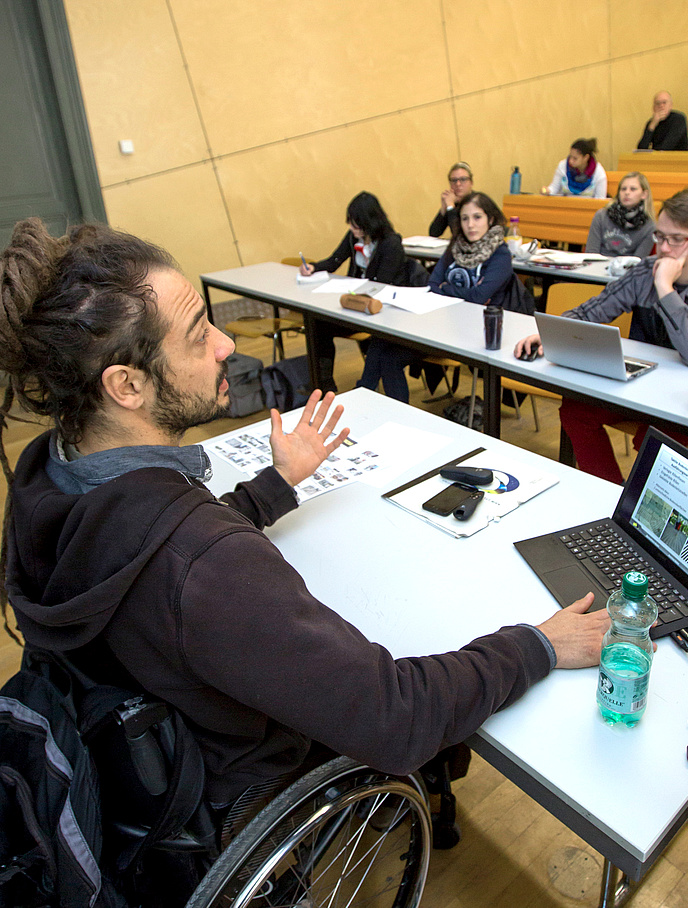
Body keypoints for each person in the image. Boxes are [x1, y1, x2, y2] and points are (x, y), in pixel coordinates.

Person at [0, 218, 609, 807]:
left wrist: (276, 484)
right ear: (126, 386)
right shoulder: (205, 566)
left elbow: (139, 544)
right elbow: (397, 714)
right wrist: (538, 644)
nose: (225, 344)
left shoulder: (46, 475)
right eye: (196, 334)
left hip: (135, 761)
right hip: (239, 784)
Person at [514, 190, 688, 485]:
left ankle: (637, 500)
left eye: (676, 239)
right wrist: (553, 332)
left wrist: (665, 288)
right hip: (647, 384)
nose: (664, 249)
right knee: (576, 411)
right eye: (660, 237)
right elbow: (596, 309)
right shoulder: (645, 271)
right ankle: (608, 491)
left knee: (656, 437)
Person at [359, 192, 517, 403]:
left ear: (490, 219)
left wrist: (447, 287)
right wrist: (456, 291)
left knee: (390, 358)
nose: (470, 224)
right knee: (381, 343)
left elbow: (479, 297)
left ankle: (377, 406)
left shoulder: (501, 255)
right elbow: (433, 285)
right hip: (441, 325)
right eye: (464, 218)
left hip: (474, 335)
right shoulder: (455, 247)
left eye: (477, 217)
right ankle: (364, 398)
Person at [298, 192, 408, 392]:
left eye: (356, 224)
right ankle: (323, 383)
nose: (352, 228)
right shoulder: (354, 237)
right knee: (318, 325)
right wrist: (313, 268)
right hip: (355, 306)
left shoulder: (390, 243)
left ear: (370, 222)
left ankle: (366, 387)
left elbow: (381, 285)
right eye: (351, 223)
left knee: (381, 345)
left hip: (378, 310)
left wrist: (354, 291)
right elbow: (334, 261)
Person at [585, 172, 655, 257]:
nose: (627, 193)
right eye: (623, 189)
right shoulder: (601, 216)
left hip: (628, 269)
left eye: (633, 189)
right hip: (597, 266)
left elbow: (638, 261)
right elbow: (591, 253)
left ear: (644, 194)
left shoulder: (650, 227)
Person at [543, 138, 607, 198]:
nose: (570, 161)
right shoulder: (563, 166)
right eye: (570, 156)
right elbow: (554, 188)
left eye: (575, 158)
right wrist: (546, 191)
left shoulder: (599, 172)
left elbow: (600, 200)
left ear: (586, 158)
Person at [429, 162, 473, 237]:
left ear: (471, 182)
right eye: (454, 180)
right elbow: (434, 233)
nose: (458, 184)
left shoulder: (477, 202)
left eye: (463, 179)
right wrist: (444, 208)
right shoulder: (453, 202)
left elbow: (459, 235)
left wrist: (450, 207)